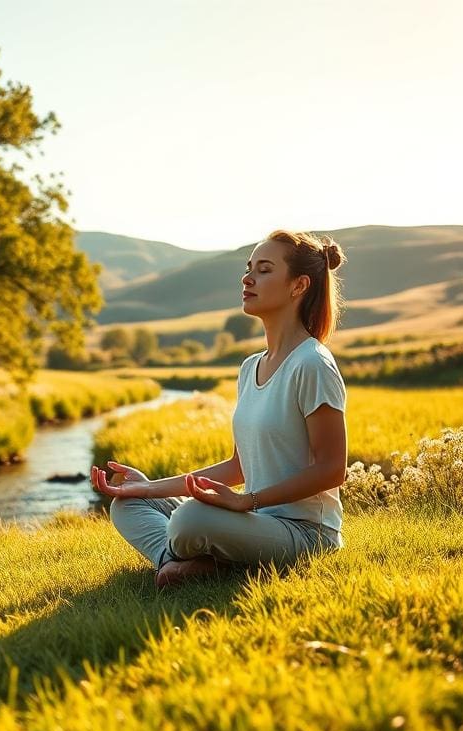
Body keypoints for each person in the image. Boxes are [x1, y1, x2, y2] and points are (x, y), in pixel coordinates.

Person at [91, 230, 348, 589]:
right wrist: (149, 488)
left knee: (189, 521)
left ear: (298, 285)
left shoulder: (313, 364)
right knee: (127, 506)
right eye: (248, 268)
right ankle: (193, 562)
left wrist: (247, 501)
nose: (247, 278)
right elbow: (237, 466)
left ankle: (204, 562)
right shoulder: (250, 368)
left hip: (305, 535)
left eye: (264, 269)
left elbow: (332, 470)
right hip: (254, 520)